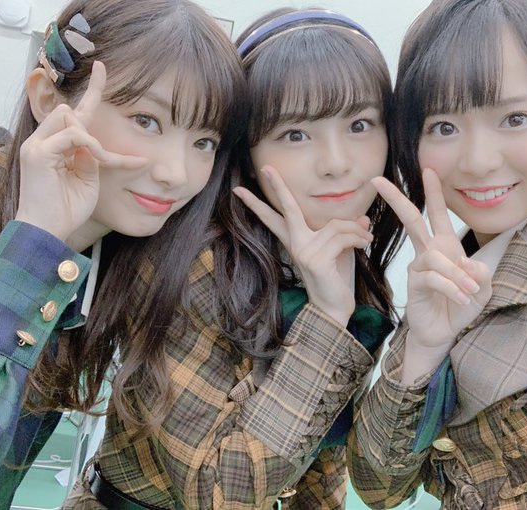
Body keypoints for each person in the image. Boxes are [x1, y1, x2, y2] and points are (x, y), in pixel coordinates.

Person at [63, 8, 402, 509]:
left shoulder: (351, 265)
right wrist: (328, 320)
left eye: (359, 124)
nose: (337, 163)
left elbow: (327, 464)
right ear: (248, 152)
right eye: (295, 134)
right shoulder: (196, 258)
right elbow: (221, 493)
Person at [348, 0, 527, 508]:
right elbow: (378, 488)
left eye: (515, 118)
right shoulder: (445, 277)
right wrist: (424, 346)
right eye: (444, 126)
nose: (479, 161)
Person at [0, 0, 247, 508]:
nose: (176, 173)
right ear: (48, 98)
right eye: (146, 120)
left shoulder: (111, 261)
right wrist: (33, 243)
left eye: (204, 141)